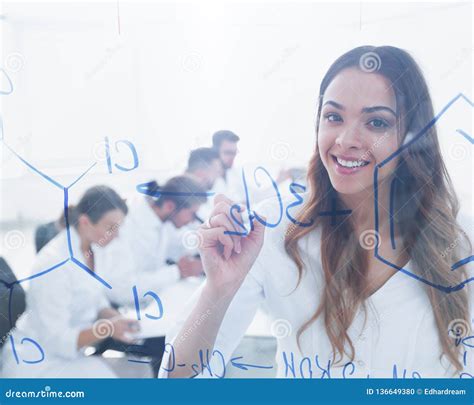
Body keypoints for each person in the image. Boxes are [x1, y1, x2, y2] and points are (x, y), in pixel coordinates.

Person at [159, 46, 473, 378]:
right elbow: (178, 379)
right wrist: (218, 290)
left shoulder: (461, 245)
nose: (346, 139)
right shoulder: (273, 228)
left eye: (376, 122)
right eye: (334, 117)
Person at [1, 186, 138, 378]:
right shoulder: (54, 264)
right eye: (110, 228)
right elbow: (58, 339)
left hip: (72, 354)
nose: (116, 235)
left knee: (142, 370)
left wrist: (114, 317)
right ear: (85, 222)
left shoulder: (92, 249)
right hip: (38, 362)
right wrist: (108, 328)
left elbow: (95, 297)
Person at [97, 176, 208, 307]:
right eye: (192, 214)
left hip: (150, 303)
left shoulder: (161, 220)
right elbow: (121, 290)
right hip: (123, 309)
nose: (192, 221)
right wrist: (177, 271)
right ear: (169, 206)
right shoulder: (129, 227)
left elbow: (180, 244)